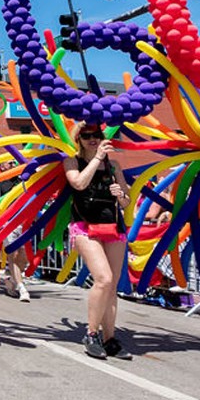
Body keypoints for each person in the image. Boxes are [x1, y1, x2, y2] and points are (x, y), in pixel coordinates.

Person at [65, 124, 134, 360]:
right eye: (87, 136)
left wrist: (120, 194)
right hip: (85, 227)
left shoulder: (114, 166)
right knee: (103, 279)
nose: (93, 139)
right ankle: (91, 333)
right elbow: (79, 184)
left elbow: (126, 203)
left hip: (113, 227)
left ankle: (110, 338)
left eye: (97, 135)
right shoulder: (72, 162)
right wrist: (97, 159)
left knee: (112, 285)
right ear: (79, 139)